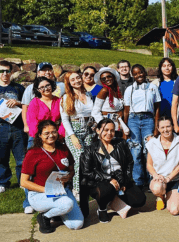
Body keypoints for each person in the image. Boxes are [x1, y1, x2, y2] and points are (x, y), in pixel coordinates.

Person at [21, 120, 83, 234]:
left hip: (62, 191)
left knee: (77, 225)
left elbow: (71, 170)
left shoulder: (63, 148)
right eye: (46, 133)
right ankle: (45, 217)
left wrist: (69, 177)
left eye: (54, 132)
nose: (51, 135)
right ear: (39, 135)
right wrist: (47, 190)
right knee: (67, 204)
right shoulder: (33, 153)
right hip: (39, 194)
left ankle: (58, 212)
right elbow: (24, 182)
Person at [80, 118, 146, 223]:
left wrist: (125, 181)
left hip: (121, 179)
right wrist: (109, 178)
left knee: (140, 200)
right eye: (105, 130)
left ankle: (114, 200)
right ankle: (102, 209)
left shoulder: (121, 144)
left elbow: (130, 163)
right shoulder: (90, 149)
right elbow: (87, 172)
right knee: (107, 189)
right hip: (101, 182)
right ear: (97, 130)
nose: (109, 133)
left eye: (112, 130)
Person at [0, 61, 28, 210]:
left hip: (17, 128)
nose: (5, 74)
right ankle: (2, 183)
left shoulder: (19, 88)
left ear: (11, 72)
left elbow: (27, 106)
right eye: (2, 71)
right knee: (1, 158)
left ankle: (23, 182)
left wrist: (18, 103)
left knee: (21, 158)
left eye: (7, 71)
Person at [123, 64, 161, 187]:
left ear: (145, 73)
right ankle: (138, 181)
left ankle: (151, 180)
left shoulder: (153, 87)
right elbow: (126, 110)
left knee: (149, 150)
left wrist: (156, 127)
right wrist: (125, 128)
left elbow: (157, 109)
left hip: (148, 119)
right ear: (132, 76)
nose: (138, 75)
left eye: (140, 72)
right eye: (135, 73)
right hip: (133, 120)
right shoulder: (129, 89)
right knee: (136, 150)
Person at [60, 71, 94, 200]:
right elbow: (65, 120)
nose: (76, 81)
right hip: (74, 130)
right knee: (80, 158)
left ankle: (89, 185)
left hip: (89, 130)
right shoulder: (66, 97)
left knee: (90, 159)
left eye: (78, 78)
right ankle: (77, 189)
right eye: (72, 80)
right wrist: (72, 136)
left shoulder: (89, 94)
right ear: (68, 83)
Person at [146, 116, 179, 214]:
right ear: (158, 129)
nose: (166, 130)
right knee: (156, 188)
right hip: (159, 180)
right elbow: (149, 165)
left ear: (172, 127)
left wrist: (168, 178)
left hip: (174, 179)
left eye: (168, 126)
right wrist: (156, 176)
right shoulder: (152, 143)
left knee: (174, 211)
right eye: (162, 127)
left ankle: (171, 193)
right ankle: (160, 196)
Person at [22, 62, 65, 138]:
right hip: (38, 134)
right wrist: (26, 126)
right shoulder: (31, 92)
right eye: (44, 70)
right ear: (38, 73)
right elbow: (26, 109)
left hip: (56, 133)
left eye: (49, 70)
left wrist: (60, 134)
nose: (47, 72)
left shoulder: (62, 86)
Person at [27, 77, 65, 148]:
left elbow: (64, 119)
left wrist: (60, 135)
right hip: (38, 138)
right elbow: (32, 123)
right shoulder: (34, 102)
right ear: (38, 90)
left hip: (56, 136)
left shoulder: (59, 101)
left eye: (47, 85)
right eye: (42, 87)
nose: (46, 88)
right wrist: (41, 137)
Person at [92, 67, 124, 136]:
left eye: (109, 76)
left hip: (117, 124)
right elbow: (95, 111)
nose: (106, 79)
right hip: (106, 125)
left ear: (114, 77)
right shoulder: (104, 91)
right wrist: (104, 125)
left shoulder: (117, 91)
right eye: (103, 78)